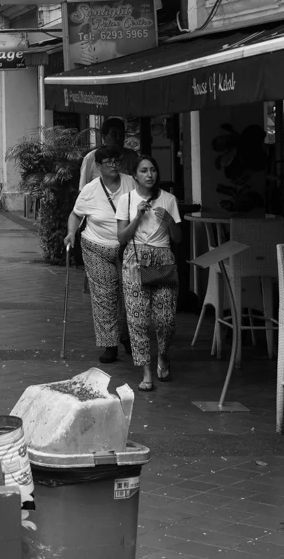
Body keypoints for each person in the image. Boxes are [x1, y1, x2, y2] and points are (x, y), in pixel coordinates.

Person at [118, 155, 183, 391]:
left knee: (166, 319)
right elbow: (121, 238)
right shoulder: (126, 200)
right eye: (144, 170)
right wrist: (137, 216)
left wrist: (170, 221)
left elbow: (179, 238)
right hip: (135, 261)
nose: (149, 175)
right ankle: (146, 372)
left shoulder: (169, 199)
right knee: (137, 320)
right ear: (135, 175)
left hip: (163, 260)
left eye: (153, 170)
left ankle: (163, 354)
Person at [66, 145, 134, 363]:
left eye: (116, 161)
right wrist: (71, 233)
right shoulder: (90, 189)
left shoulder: (130, 183)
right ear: (98, 166)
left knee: (130, 294)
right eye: (108, 162)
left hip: (126, 248)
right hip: (96, 248)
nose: (114, 165)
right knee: (105, 297)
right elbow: (75, 215)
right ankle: (109, 344)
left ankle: (126, 335)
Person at [79, 117, 139, 188]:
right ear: (104, 136)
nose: (118, 138)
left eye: (121, 135)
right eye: (114, 135)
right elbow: (83, 188)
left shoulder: (132, 157)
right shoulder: (91, 158)